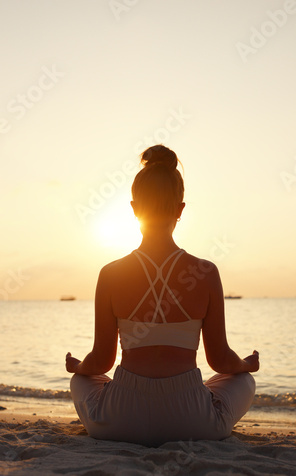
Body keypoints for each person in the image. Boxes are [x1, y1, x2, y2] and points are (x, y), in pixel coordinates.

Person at [66, 145, 259, 446]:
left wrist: (79, 367)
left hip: (121, 419)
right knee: (243, 381)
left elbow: (101, 361)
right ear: (180, 209)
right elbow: (220, 360)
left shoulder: (110, 273)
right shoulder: (206, 272)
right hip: (191, 419)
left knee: (82, 380)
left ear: (133, 208)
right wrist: (246, 365)